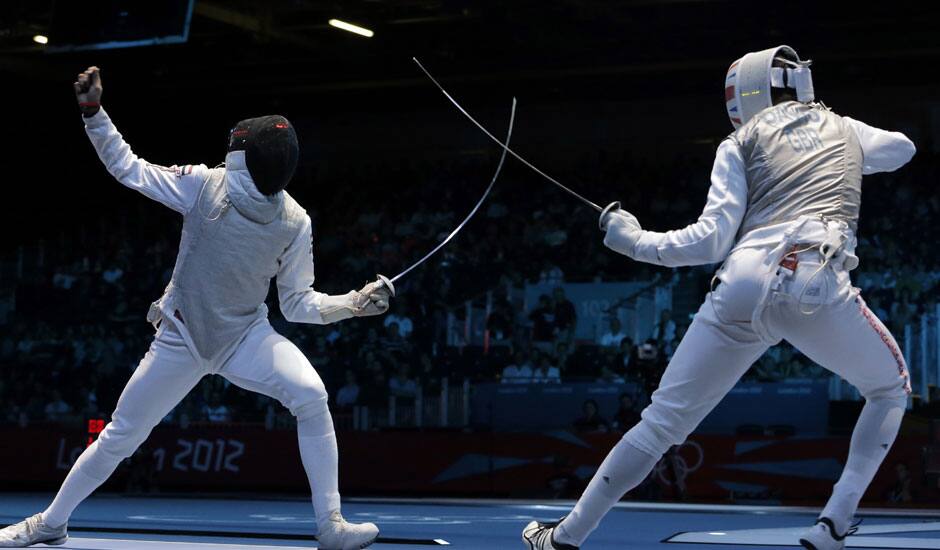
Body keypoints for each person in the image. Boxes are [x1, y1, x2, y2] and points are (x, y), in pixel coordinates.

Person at [523, 45, 915, 550]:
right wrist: (833, 137)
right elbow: (902, 147)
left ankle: (564, 537)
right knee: (889, 388)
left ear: (745, 95)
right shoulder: (845, 131)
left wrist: (634, 239)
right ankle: (833, 521)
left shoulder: (739, 141)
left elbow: (709, 242)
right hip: (814, 280)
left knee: (661, 422)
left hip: (740, 282)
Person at [0, 67, 391, 550]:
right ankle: (50, 523)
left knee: (311, 395)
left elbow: (296, 303)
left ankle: (331, 526)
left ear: (246, 159)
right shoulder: (205, 186)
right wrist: (93, 115)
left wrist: (353, 304)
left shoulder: (293, 221)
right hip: (180, 337)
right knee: (120, 437)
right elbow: (130, 169)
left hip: (245, 337)